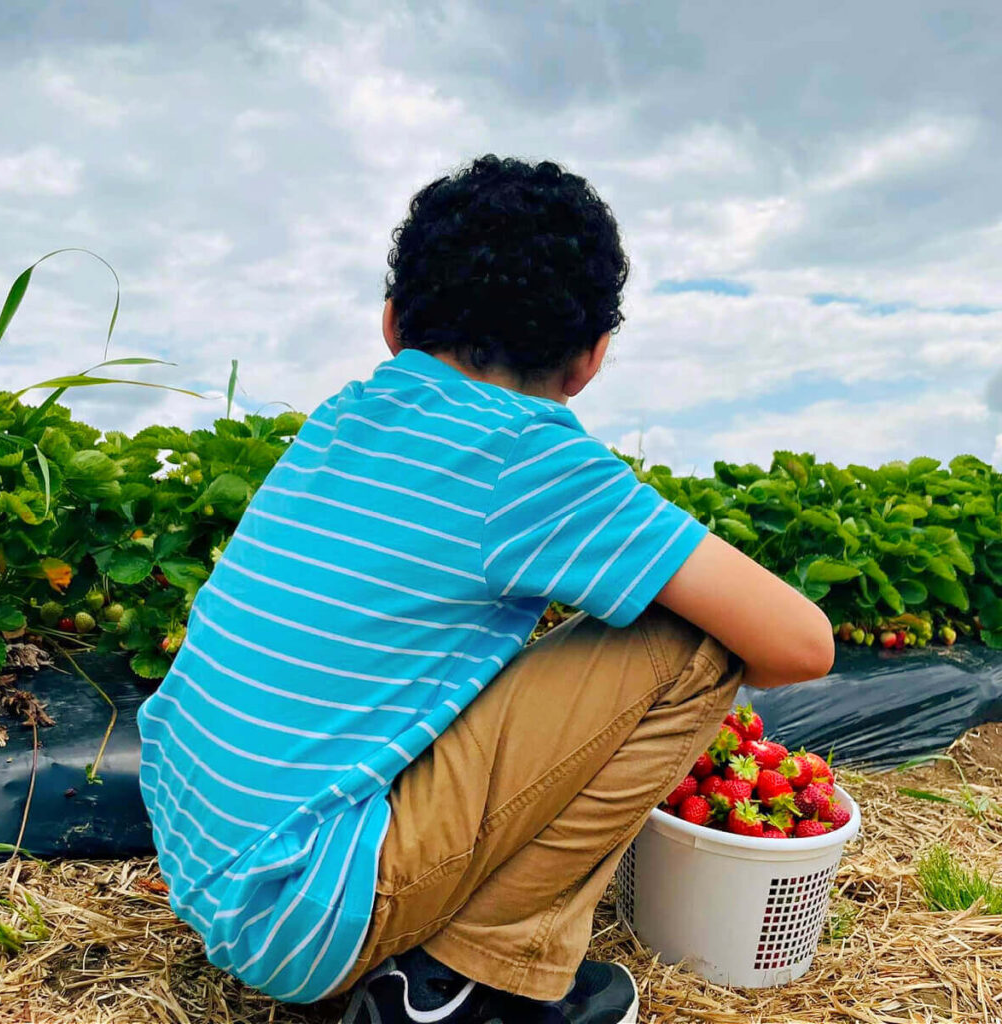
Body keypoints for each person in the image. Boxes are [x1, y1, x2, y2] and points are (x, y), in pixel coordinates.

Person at [136, 154, 834, 1024]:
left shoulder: (341, 419)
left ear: (393, 324)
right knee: (691, 642)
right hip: (299, 912)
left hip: (206, 856)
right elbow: (801, 645)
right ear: (589, 360)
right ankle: (465, 989)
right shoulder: (527, 454)